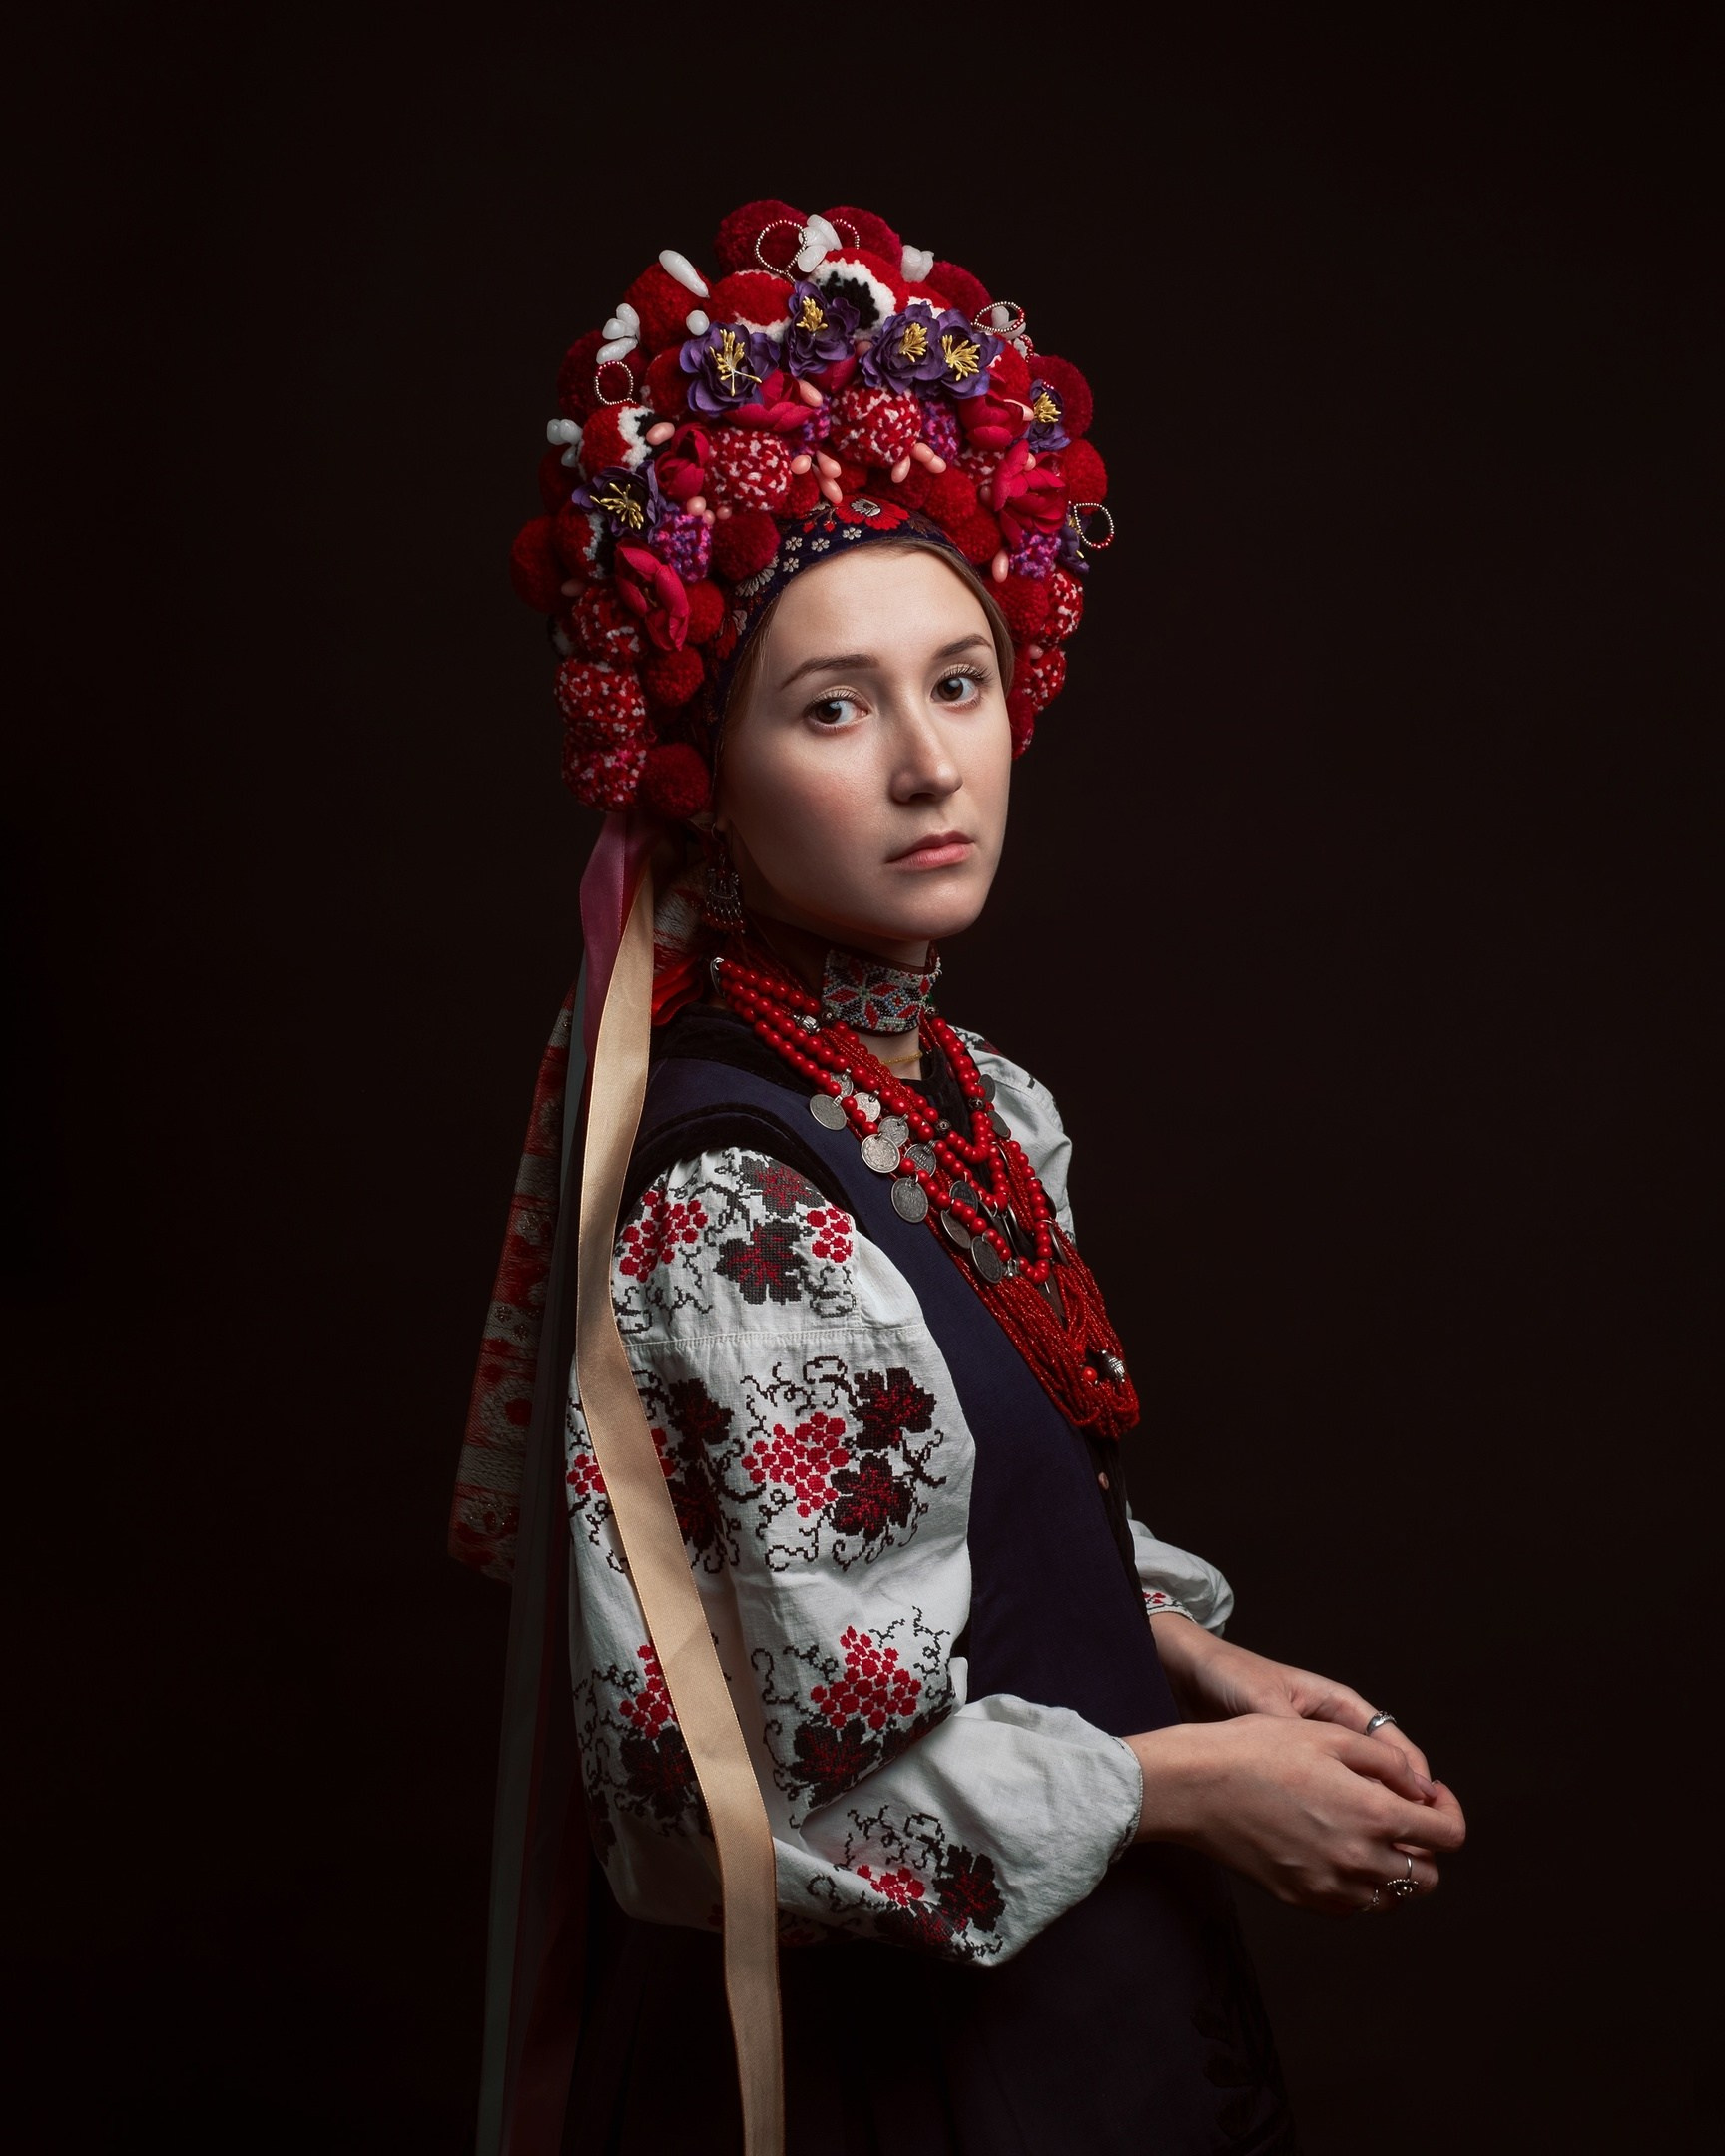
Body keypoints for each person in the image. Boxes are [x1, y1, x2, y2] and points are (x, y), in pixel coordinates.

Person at [450, 198, 1465, 2156]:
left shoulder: (956, 1102)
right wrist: (1194, 1786)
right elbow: (757, 1814)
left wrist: (1198, 1662)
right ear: (701, 770)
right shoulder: (740, 1211)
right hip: (904, 2088)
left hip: (1089, 2041)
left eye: (961, 679)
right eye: (834, 705)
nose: (930, 766)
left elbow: (984, 1562)